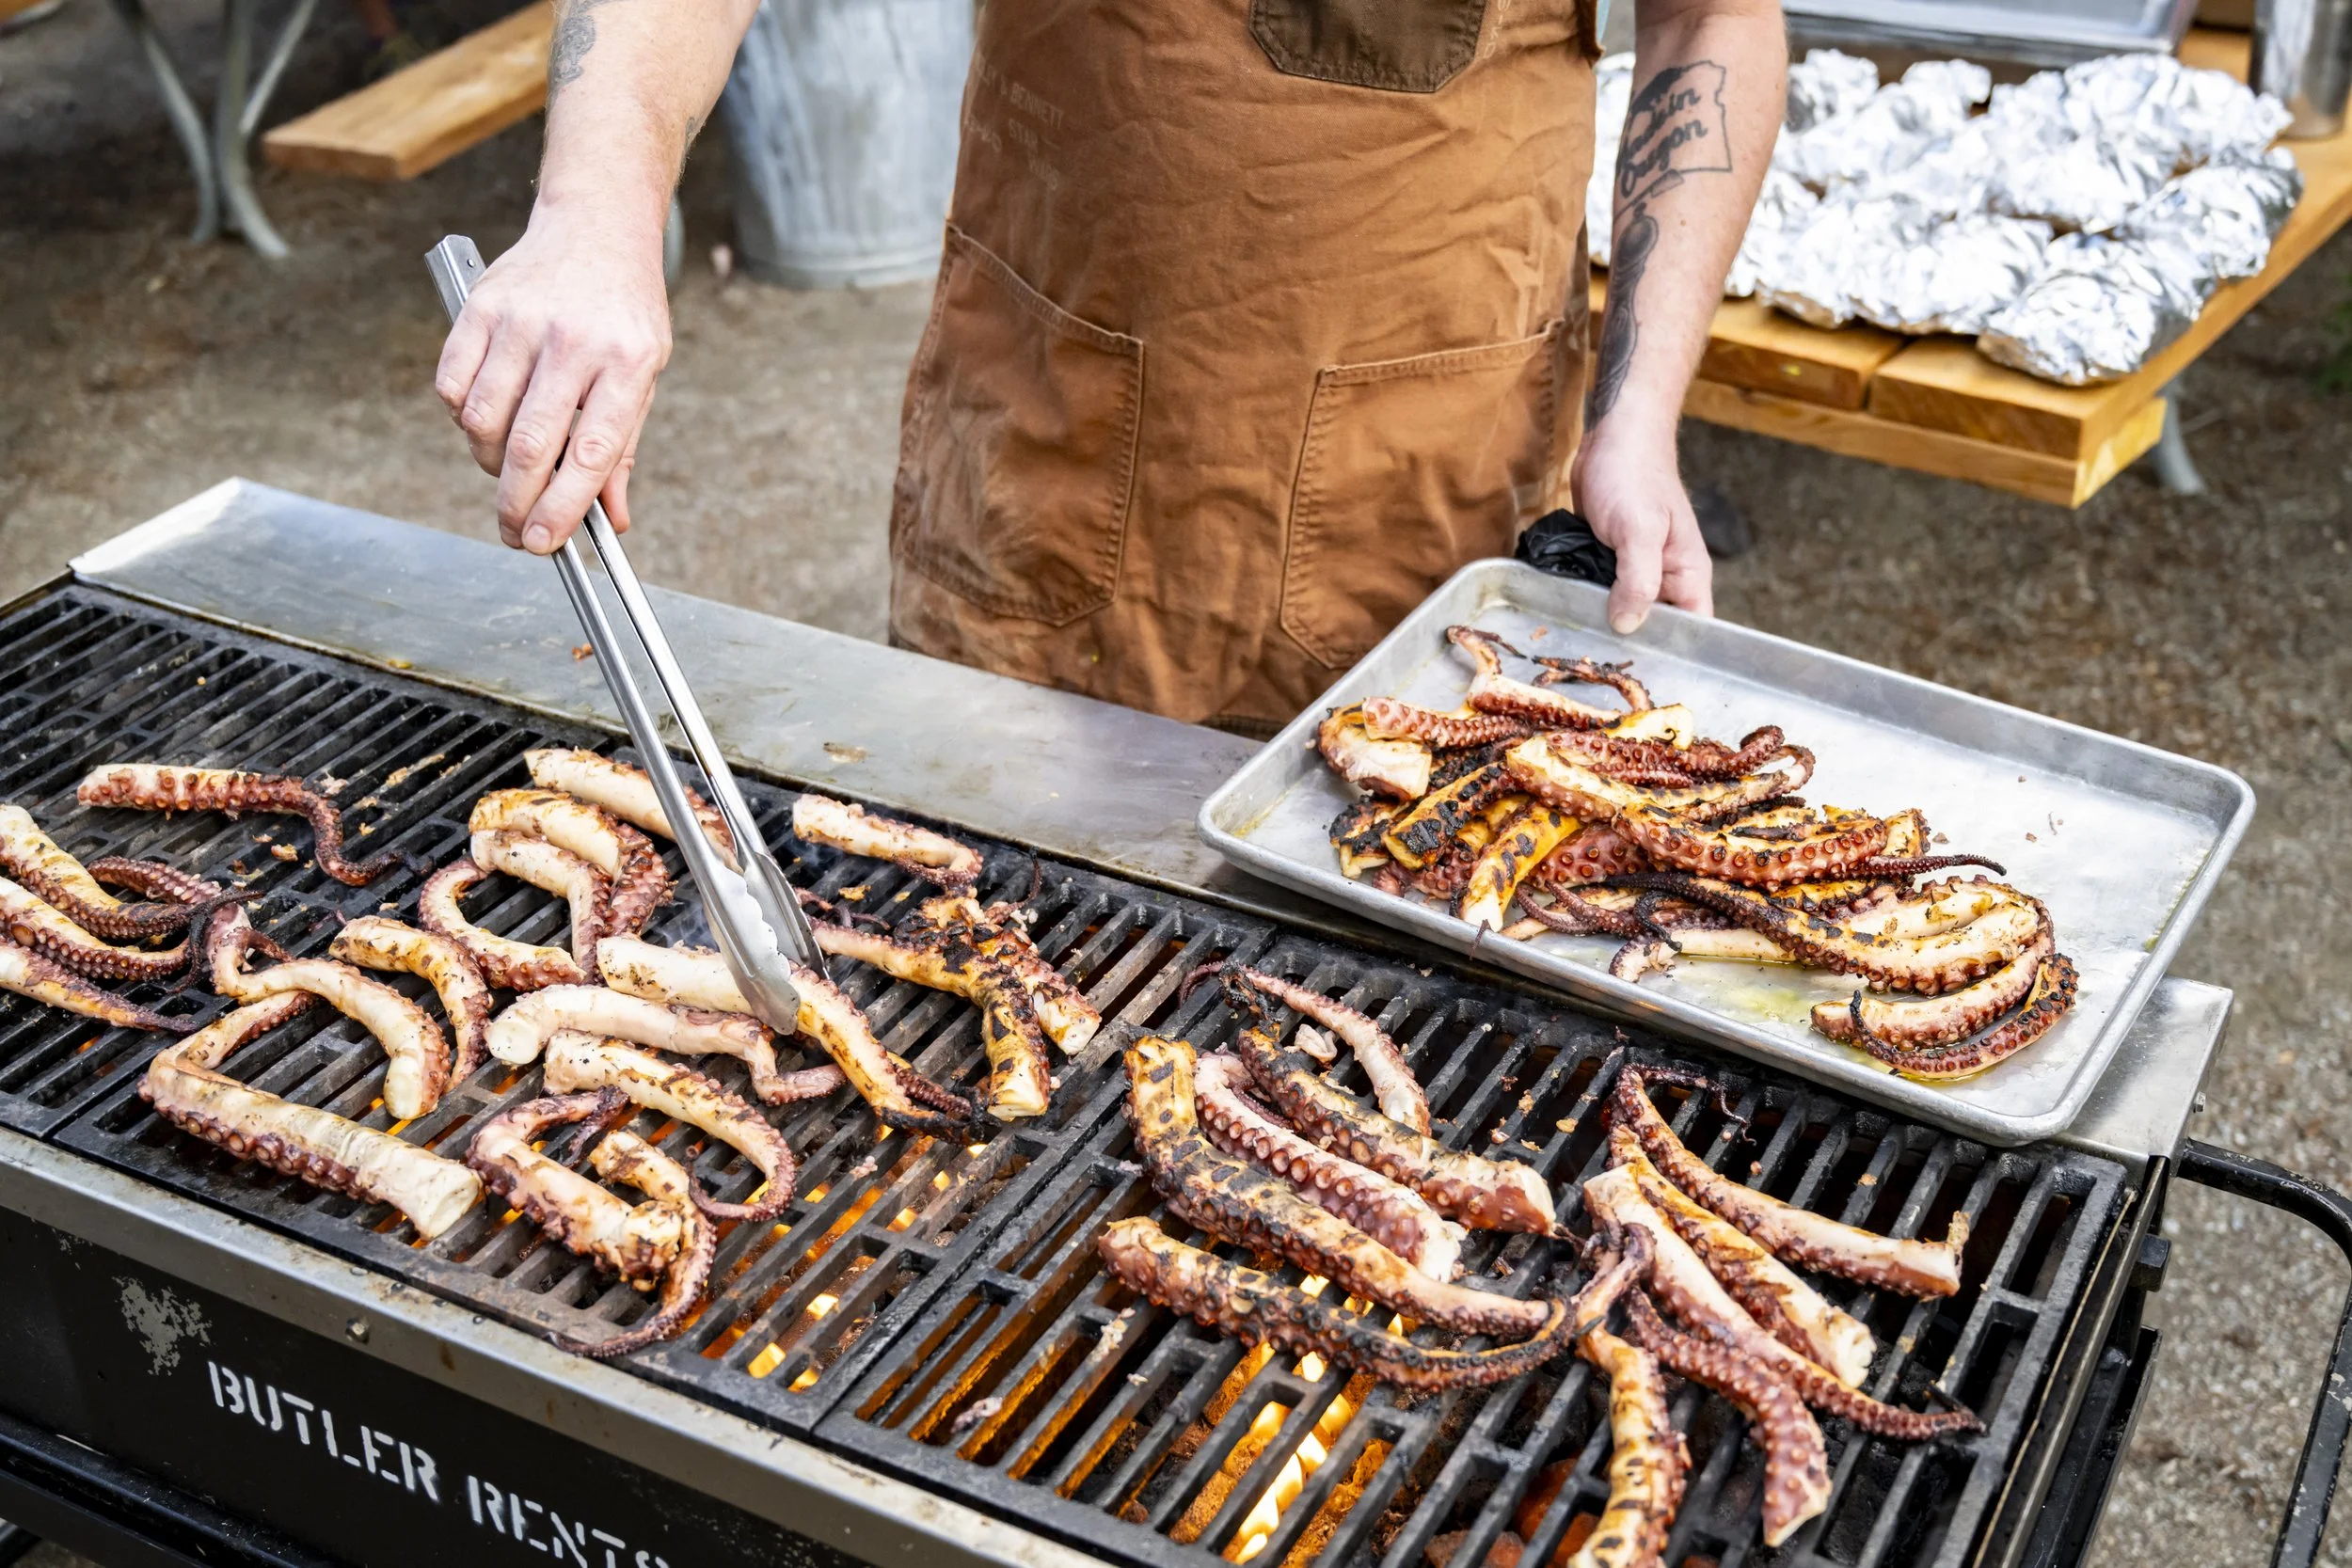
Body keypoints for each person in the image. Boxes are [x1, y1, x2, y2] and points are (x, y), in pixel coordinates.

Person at [437, 0, 1784, 733]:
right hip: (1048, 486)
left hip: (1422, 511)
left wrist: (1638, 414)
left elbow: (1710, 19)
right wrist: (597, 212)